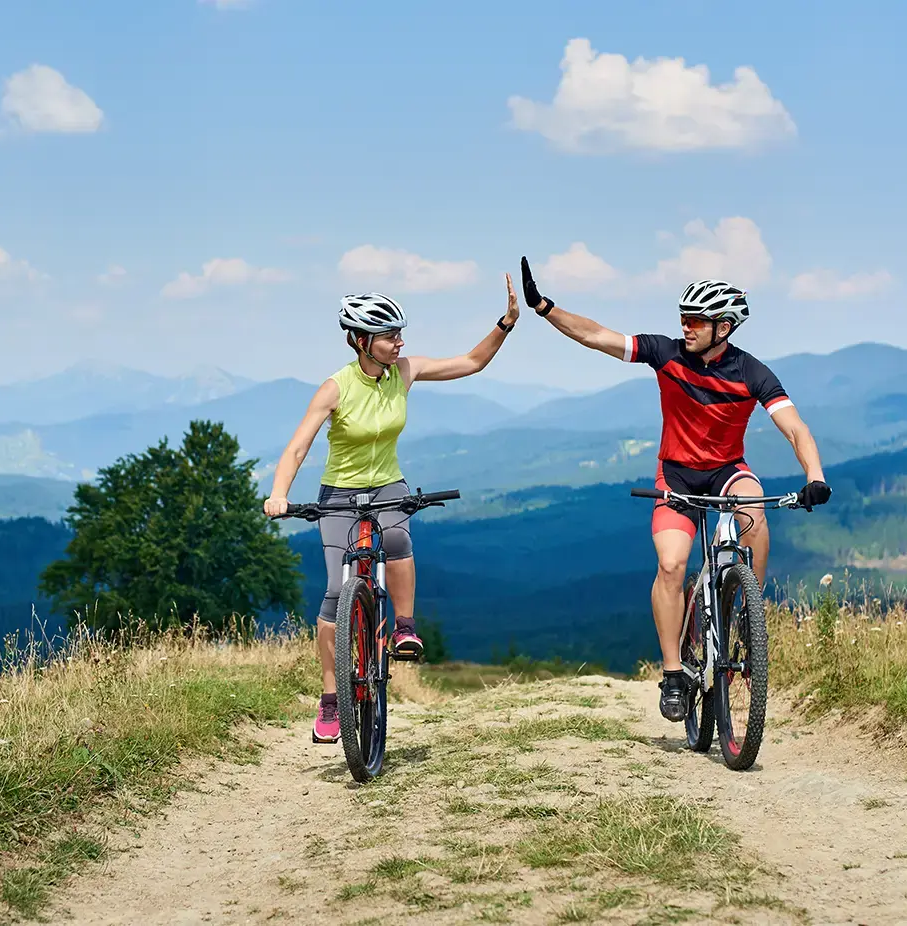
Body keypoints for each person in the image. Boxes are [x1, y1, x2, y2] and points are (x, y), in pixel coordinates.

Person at [516, 257, 831, 723]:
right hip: (677, 476)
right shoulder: (666, 354)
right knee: (671, 565)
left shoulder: (752, 373)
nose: (684, 327)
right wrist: (545, 307)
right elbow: (597, 336)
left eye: (695, 321)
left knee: (754, 513)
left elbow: (795, 428)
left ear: (723, 327)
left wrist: (815, 477)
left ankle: (749, 613)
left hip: (727, 469)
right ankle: (672, 673)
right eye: (682, 318)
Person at [265, 279, 522, 743]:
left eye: (399, 333)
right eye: (389, 335)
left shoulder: (404, 371)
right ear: (361, 341)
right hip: (339, 494)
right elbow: (298, 445)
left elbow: (471, 362)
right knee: (333, 591)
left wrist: (504, 324)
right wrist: (279, 493)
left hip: (388, 486)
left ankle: (404, 627)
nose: (399, 341)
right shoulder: (335, 387)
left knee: (399, 539)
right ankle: (331, 698)